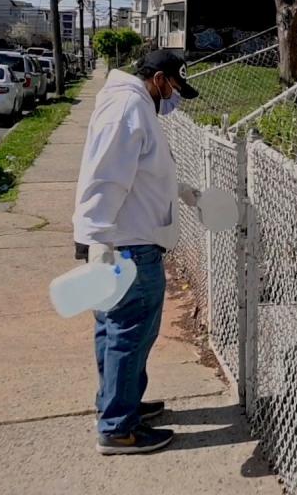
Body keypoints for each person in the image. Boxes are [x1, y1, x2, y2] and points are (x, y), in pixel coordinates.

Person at [72, 50, 200, 455]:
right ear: (159, 79)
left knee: (115, 330)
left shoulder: (135, 104)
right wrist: (93, 236)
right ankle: (117, 428)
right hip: (126, 246)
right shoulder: (129, 108)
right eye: (175, 88)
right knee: (129, 333)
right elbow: (105, 176)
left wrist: (183, 192)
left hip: (122, 239)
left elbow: (144, 170)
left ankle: (118, 403)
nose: (175, 97)